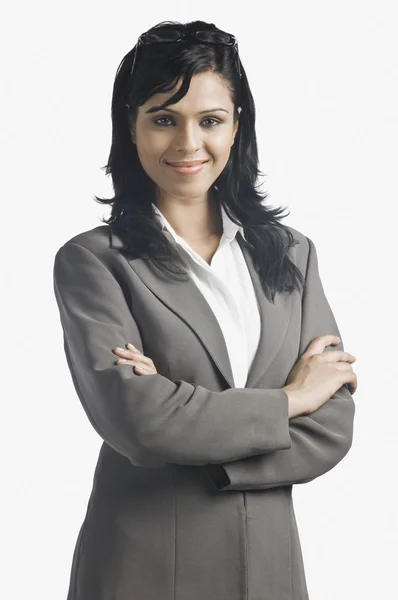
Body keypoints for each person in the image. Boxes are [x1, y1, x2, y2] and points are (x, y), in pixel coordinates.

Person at [53, 19, 357, 600]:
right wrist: (292, 400)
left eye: (210, 120)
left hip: (269, 570)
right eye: (164, 119)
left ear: (237, 125)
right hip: (142, 570)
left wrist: (190, 425)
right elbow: (140, 425)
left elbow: (332, 425)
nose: (189, 143)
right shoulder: (94, 262)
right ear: (132, 126)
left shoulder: (292, 255)